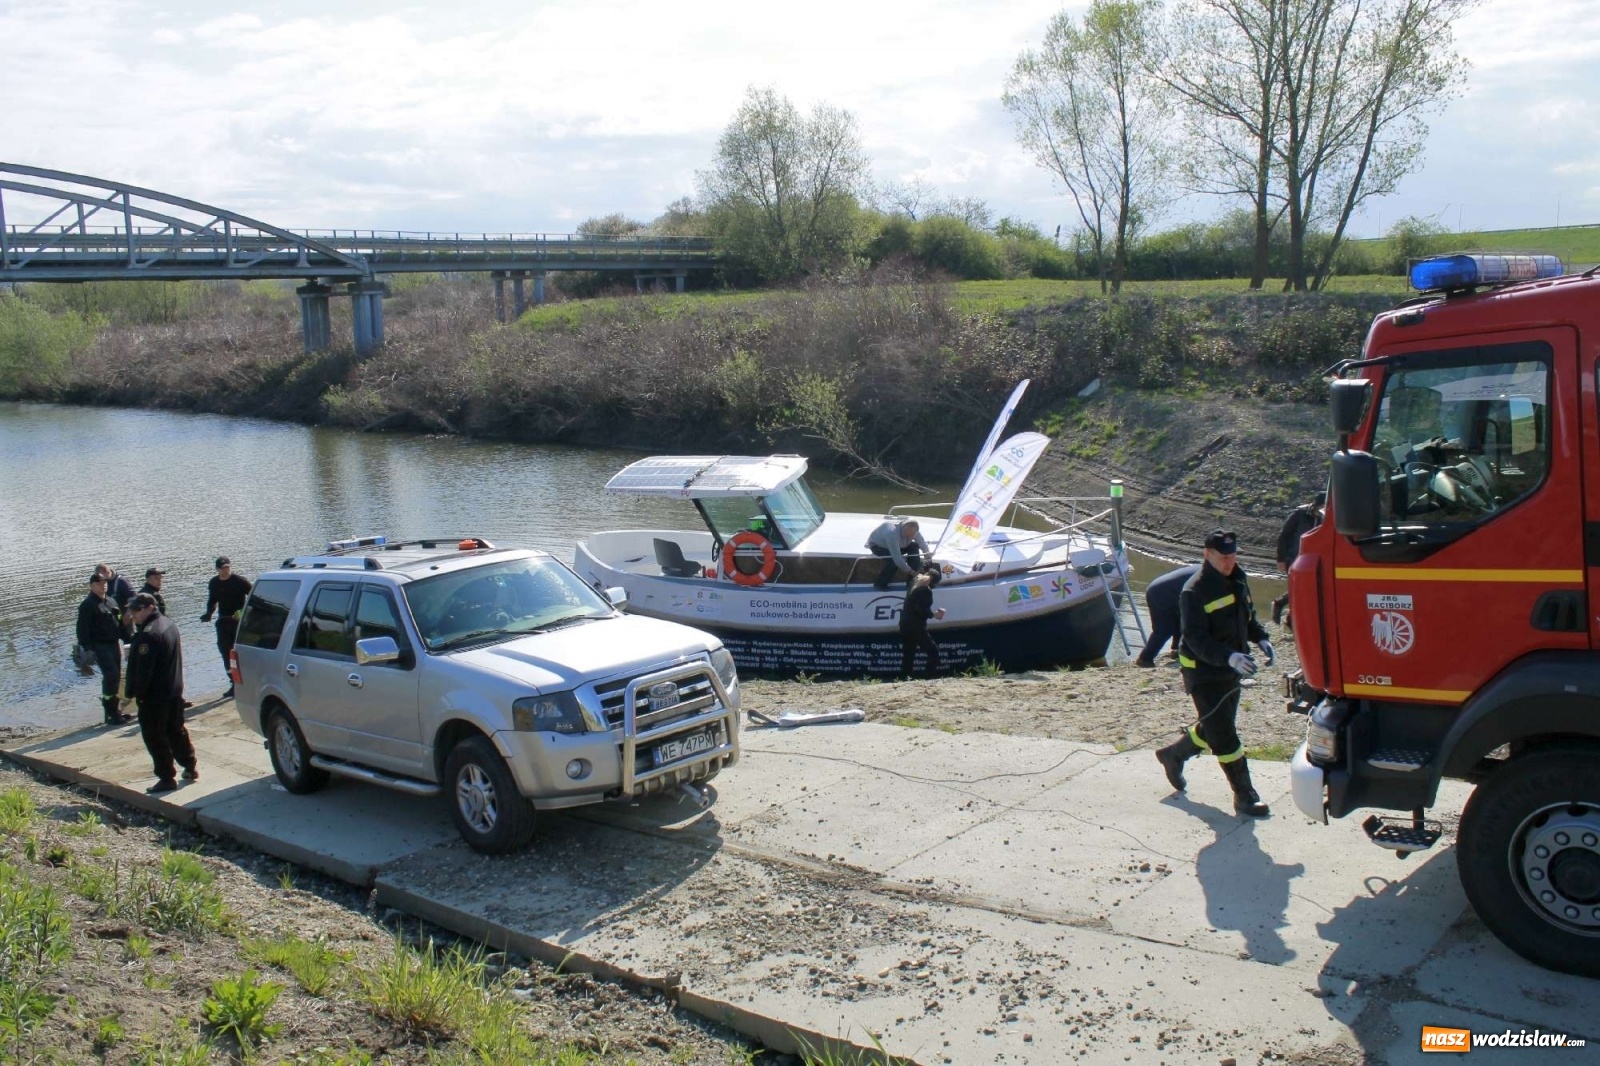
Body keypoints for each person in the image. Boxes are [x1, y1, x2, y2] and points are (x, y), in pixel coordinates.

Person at [1154, 530, 1274, 817]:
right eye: (1224, 558)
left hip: (1231, 669)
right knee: (1224, 736)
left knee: (1214, 726)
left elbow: (1247, 616)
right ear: (1207, 555)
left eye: (1233, 556)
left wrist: (1262, 638)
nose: (1230, 562)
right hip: (1204, 674)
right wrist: (1229, 657)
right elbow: (1195, 639)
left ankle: (1174, 755)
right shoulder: (1194, 591)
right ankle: (1245, 796)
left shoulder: (1237, 577)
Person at [124, 593, 197, 794]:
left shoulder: (149, 634)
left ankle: (166, 776)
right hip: (173, 689)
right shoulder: (168, 624)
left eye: (137, 610)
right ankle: (190, 765)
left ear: (149, 608)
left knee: (155, 736)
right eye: (132, 610)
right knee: (176, 730)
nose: (133, 615)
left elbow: (144, 671)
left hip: (155, 696)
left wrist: (136, 694)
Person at [76, 573, 131, 726]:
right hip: (99, 646)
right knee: (110, 675)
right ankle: (111, 713)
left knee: (116, 676)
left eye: (105, 582)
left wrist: (127, 639)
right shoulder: (88, 605)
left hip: (113, 644)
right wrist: (87, 649)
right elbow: (82, 629)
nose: (103, 585)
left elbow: (119, 622)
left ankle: (114, 712)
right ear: (92, 585)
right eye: (99, 583)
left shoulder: (111, 601)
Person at [200, 556, 251, 698]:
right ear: (217, 569)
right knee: (225, 651)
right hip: (224, 621)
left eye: (227, 567)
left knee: (240, 651)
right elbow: (212, 600)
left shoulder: (240, 581)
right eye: (223, 568)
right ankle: (233, 683)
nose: (226, 570)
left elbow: (254, 597)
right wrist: (209, 613)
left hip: (239, 621)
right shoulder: (214, 583)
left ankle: (247, 681)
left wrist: (244, 611)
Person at [1272, 492, 1325, 629]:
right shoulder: (1299, 514)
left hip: (1311, 561)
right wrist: (1281, 559)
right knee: (1300, 590)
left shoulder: (1325, 518)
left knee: (1304, 590)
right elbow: (1284, 536)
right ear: (1315, 505)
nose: (1321, 512)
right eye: (1320, 508)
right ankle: (1289, 621)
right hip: (1293, 558)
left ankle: (1283, 608)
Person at [1134, 563, 1199, 668]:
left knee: (1180, 618)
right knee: (1164, 630)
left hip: (1160, 588)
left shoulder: (1209, 569)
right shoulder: (1214, 579)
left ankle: (1177, 650)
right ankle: (1145, 659)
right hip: (1161, 593)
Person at [899, 569, 945, 678]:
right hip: (916, 626)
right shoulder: (925, 590)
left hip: (904, 623)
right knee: (933, 651)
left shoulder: (913, 584)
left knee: (909, 653)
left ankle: (905, 677)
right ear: (933, 581)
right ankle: (929, 677)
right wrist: (934, 615)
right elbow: (921, 609)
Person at [865, 518, 929, 590]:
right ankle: (880, 584)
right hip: (879, 546)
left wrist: (927, 556)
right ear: (906, 530)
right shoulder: (891, 533)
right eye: (911, 534)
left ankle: (911, 582)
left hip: (899, 544)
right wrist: (911, 572)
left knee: (914, 546)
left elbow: (922, 542)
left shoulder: (913, 530)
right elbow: (897, 558)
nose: (913, 536)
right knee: (892, 561)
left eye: (914, 534)